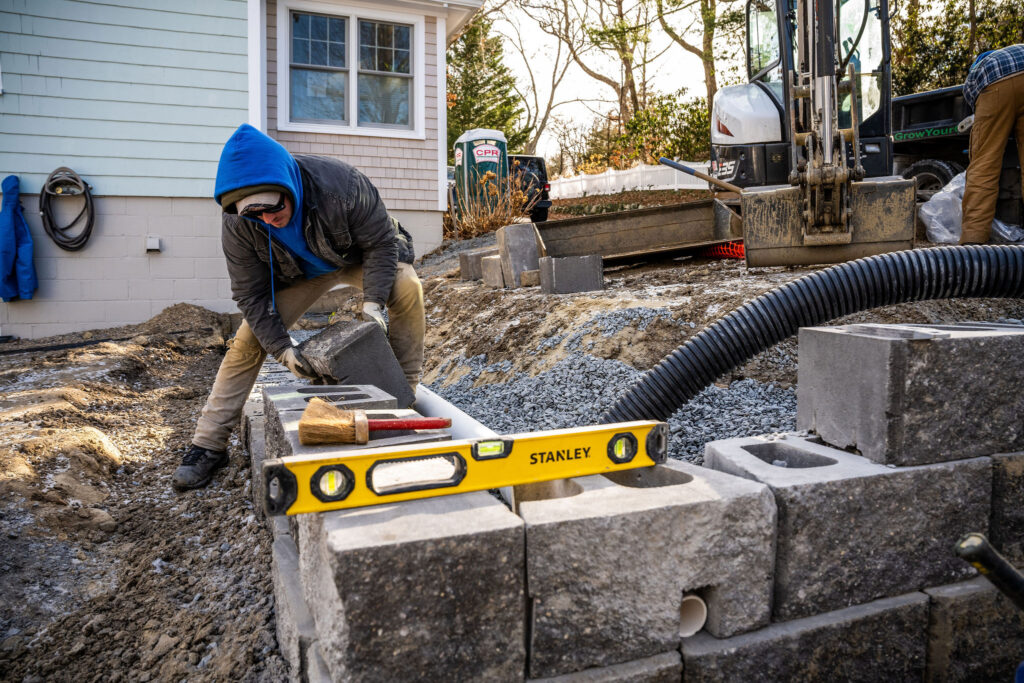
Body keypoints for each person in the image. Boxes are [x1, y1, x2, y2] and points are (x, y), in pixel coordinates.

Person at [172, 123, 425, 491]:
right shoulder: (239, 225)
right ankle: (208, 445)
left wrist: (372, 306)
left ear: (288, 184)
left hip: (352, 255)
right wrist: (283, 350)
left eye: (274, 209)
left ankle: (403, 394)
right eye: (255, 215)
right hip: (300, 273)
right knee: (246, 343)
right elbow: (251, 296)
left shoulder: (342, 186)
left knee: (408, 286)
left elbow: (382, 245)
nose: (268, 221)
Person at [960, 43, 1024, 244]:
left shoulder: (978, 70)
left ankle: (973, 240)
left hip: (995, 83)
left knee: (984, 164)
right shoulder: (1016, 49)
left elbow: (975, 102)